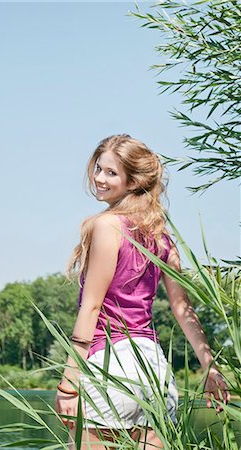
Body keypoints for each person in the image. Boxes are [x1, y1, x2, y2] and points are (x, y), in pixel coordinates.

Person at [55, 134, 231, 449]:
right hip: (154, 372)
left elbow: (92, 308)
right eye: (98, 168)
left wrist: (68, 384)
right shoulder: (161, 236)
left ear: (133, 181)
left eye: (111, 173)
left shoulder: (106, 226)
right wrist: (210, 366)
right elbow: (182, 309)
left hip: (109, 367)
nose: (98, 178)